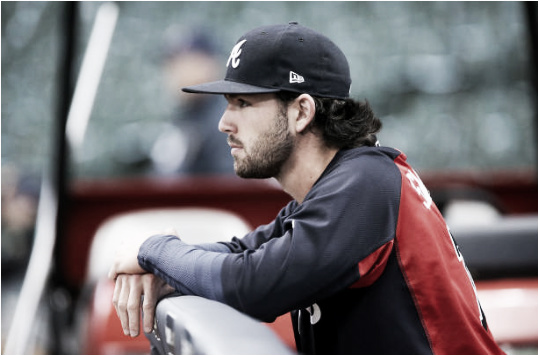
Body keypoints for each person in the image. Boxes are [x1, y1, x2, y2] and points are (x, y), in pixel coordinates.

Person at [109, 22, 505, 355]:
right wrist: (162, 264)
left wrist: (155, 251)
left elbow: (252, 285)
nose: (223, 123)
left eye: (243, 104)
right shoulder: (335, 186)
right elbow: (243, 252)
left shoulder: (365, 184)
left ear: (301, 112)